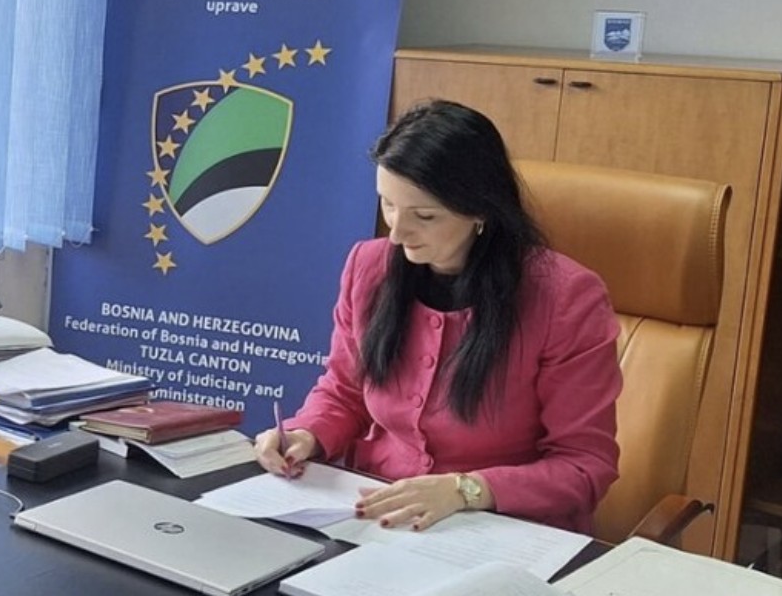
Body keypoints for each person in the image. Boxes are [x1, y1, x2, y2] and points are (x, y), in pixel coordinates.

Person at [252, 100, 622, 535]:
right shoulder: (368, 267)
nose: (396, 232)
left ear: (481, 208)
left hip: (502, 528)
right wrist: (306, 434)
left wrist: (466, 489)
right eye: (388, 205)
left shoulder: (566, 298)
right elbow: (345, 391)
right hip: (376, 513)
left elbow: (584, 465)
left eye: (424, 216)